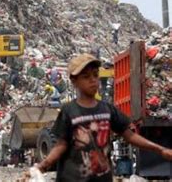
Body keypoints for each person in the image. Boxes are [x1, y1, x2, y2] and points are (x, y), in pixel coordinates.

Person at [33, 53, 172, 181]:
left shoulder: (107, 109)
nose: (93, 80)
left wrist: (160, 149)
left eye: (95, 75)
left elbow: (130, 136)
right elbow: (60, 145)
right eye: (86, 77)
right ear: (74, 81)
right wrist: (43, 165)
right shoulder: (68, 111)